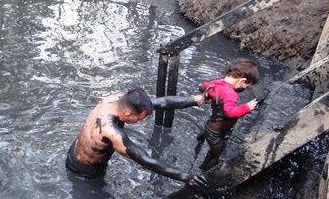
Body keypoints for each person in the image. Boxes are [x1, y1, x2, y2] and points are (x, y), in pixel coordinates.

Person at [66, 88, 207, 187]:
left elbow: (162, 102)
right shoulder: (111, 131)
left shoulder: (117, 99)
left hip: (76, 150)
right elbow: (144, 160)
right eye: (138, 119)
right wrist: (185, 177)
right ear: (127, 114)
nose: (140, 121)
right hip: (85, 170)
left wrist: (197, 99)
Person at [194, 58, 260, 171]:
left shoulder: (216, 82)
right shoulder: (230, 94)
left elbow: (203, 86)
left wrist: (207, 96)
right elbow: (230, 113)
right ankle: (203, 172)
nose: (244, 88)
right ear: (242, 80)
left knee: (206, 134)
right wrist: (247, 107)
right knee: (216, 153)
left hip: (211, 124)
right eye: (246, 86)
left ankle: (199, 143)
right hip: (216, 133)